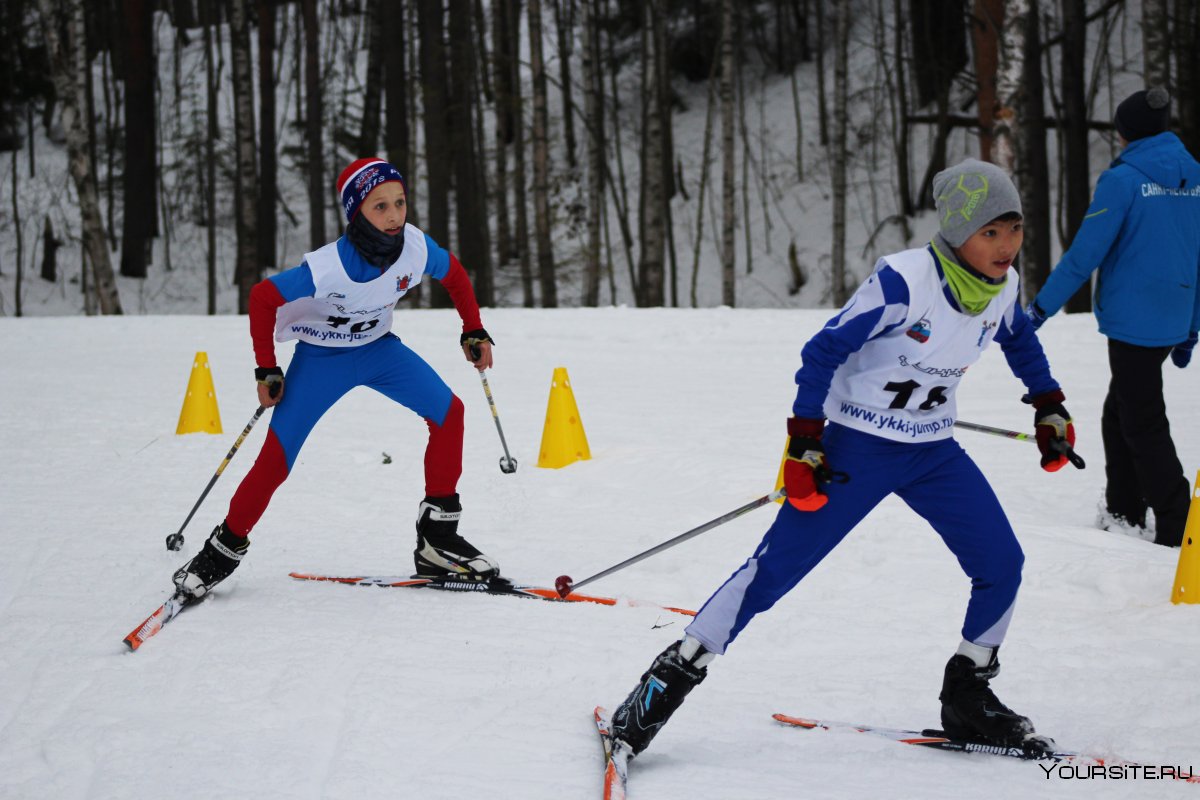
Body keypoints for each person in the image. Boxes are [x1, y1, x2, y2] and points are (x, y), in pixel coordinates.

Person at [607, 159, 1075, 761]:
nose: (1006, 245)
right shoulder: (904, 282)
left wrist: (1049, 405)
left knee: (1002, 564)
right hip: (857, 449)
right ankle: (663, 683)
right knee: (770, 575)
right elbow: (822, 350)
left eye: (1013, 230)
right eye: (991, 232)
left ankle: (969, 695)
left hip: (933, 452)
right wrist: (805, 439)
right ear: (959, 231)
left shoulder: (1003, 286)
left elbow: (1017, 338)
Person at [171, 157, 500, 600]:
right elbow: (262, 297)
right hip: (322, 361)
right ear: (356, 212)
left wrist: (472, 328)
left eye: (399, 202)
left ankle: (437, 541)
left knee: (449, 414)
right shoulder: (328, 267)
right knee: (276, 459)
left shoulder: (416, 248)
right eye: (379, 206)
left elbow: (456, 276)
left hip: (381, 352)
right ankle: (220, 551)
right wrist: (266, 367)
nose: (394, 215)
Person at [1026, 87, 1200, 548]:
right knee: (1120, 408)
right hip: (1172, 314)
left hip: (1133, 320)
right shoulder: (1195, 175)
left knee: (1142, 419)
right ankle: (1124, 508)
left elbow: (1085, 255)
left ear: (1126, 133)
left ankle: (1178, 525)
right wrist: (1191, 325)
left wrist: (1039, 308)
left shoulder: (1122, 180)